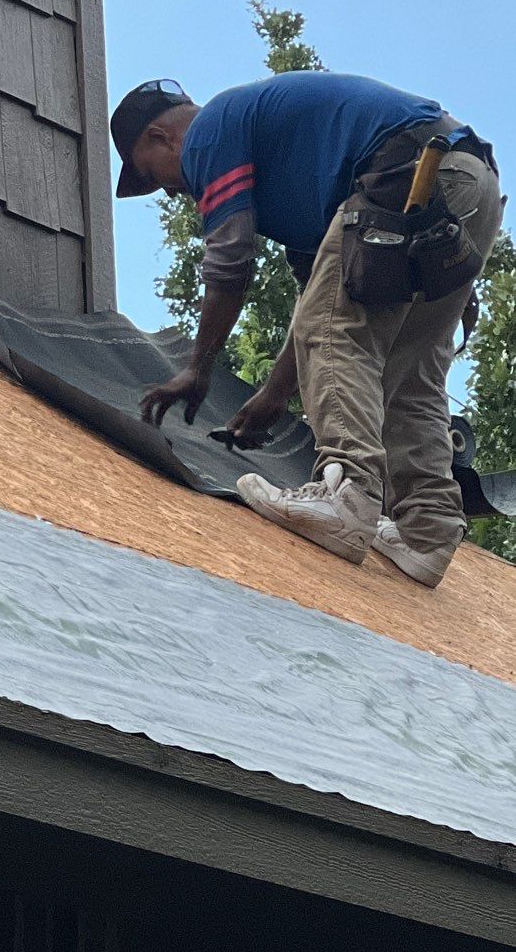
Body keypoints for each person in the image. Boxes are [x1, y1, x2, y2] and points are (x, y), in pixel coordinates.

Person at [110, 73, 502, 587]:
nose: (173, 189)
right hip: (470, 187)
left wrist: (197, 370)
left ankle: (348, 493)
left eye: (156, 175)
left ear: (162, 137)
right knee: (411, 371)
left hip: (410, 175)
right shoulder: (296, 185)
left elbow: (230, 263)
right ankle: (427, 532)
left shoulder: (208, 131)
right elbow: (321, 303)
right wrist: (275, 392)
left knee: (344, 335)